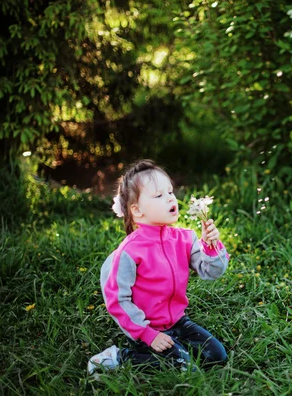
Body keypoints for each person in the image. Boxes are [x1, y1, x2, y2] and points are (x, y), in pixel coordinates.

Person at [87, 159, 229, 377]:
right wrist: (147, 334)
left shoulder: (185, 238)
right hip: (147, 328)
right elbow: (117, 300)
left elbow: (211, 271)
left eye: (170, 191)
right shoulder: (130, 251)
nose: (170, 197)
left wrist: (211, 247)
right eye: (159, 195)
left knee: (217, 356)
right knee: (182, 366)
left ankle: (177, 349)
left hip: (179, 322)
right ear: (136, 211)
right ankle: (119, 357)